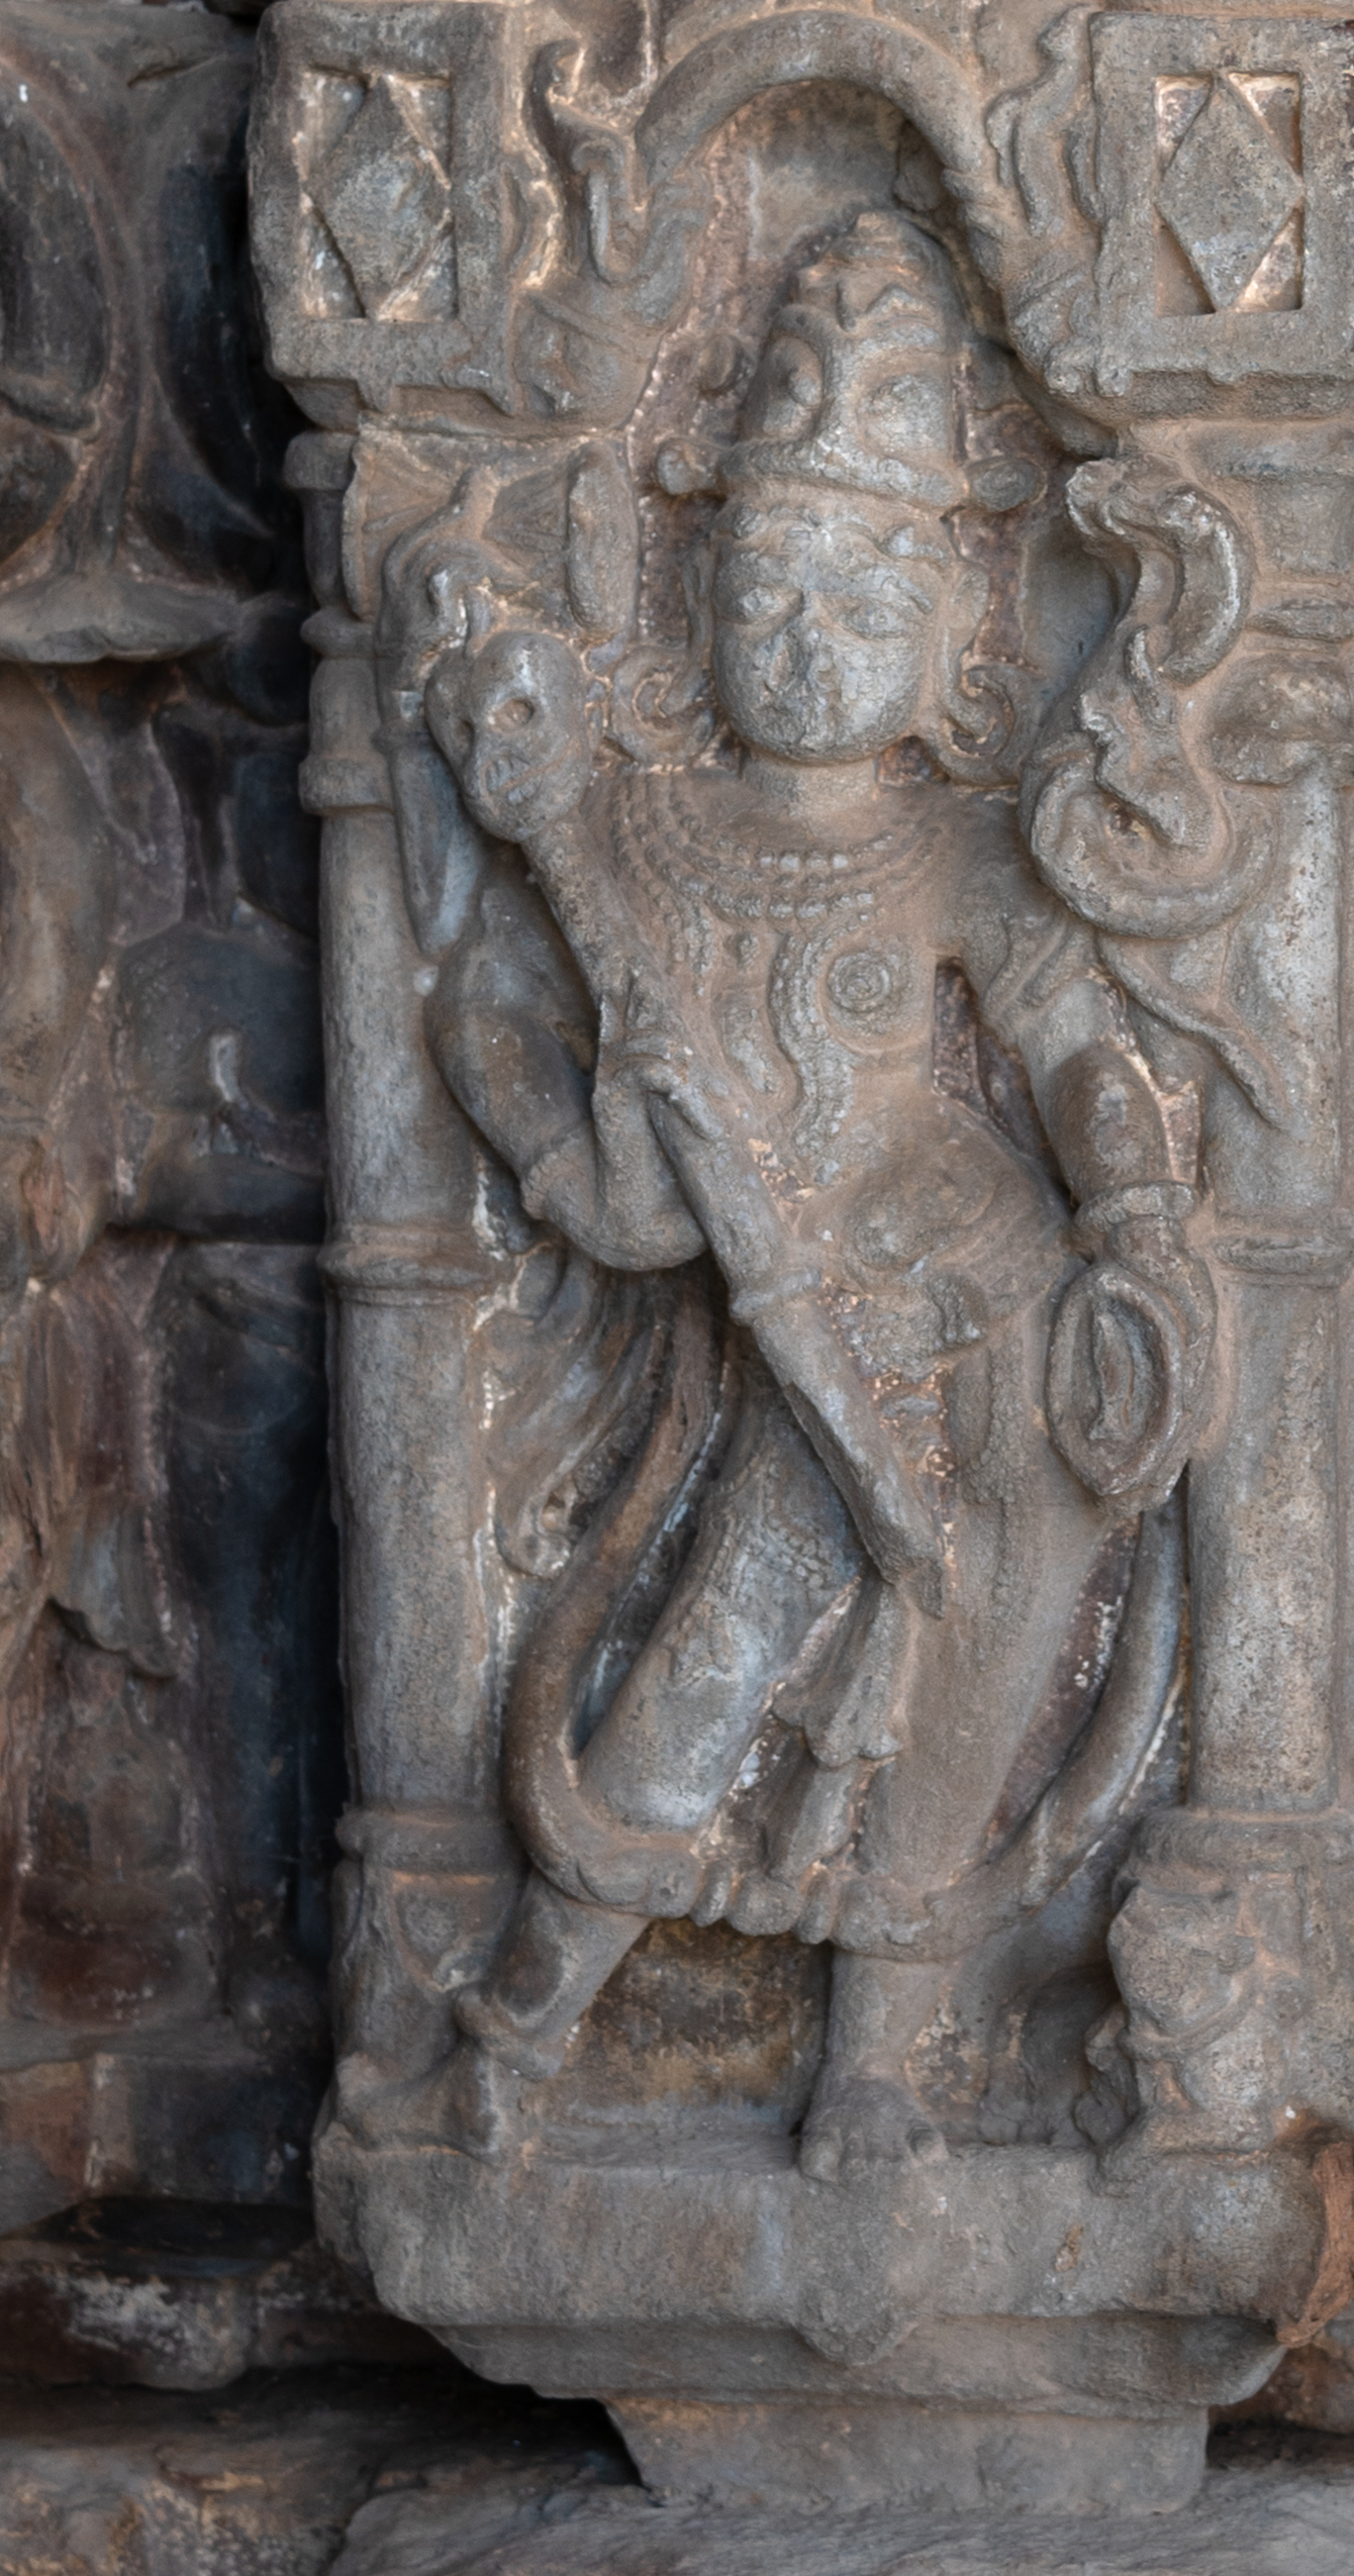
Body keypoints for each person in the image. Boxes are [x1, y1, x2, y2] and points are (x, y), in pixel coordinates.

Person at [403, 210, 1215, 2173]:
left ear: (944, 625)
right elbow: (488, 1018)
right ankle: (525, 2018)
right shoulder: (629, 831)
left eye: (863, 587)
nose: (805, 634)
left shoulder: (945, 850)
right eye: (768, 576)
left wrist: (1124, 1217)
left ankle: (882, 2044)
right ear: (691, 591)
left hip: (964, 1283)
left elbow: (1073, 1059)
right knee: (705, 1666)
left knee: (977, 1636)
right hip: (772, 1316)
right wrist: (575, 1168)